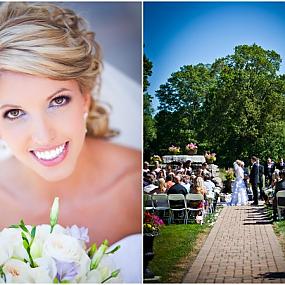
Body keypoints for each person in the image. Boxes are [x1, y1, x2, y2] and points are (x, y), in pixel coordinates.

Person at [0, 2, 141, 282]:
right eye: (13, 113)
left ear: (85, 97)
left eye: (57, 100)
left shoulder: (136, 185)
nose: (43, 136)